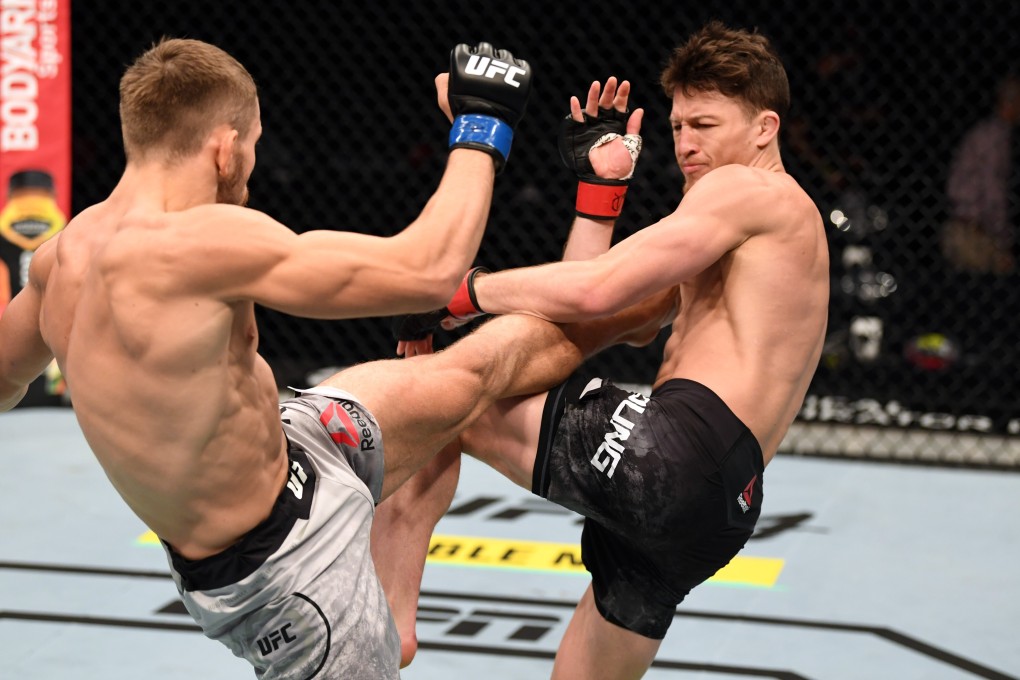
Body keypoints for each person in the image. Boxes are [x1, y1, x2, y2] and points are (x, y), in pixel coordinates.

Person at [0, 35, 608, 678]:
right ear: (225, 145)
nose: (253, 166)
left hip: (297, 447)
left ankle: (645, 293)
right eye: (254, 146)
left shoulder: (56, 263)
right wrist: (483, 122)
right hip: (284, 568)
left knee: (472, 371)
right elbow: (429, 269)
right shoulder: (202, 242)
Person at [386, 21, 830, 678]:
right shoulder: (753, 234)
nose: (685, 145)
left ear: (764, 128)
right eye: (678, 126)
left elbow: (595, 292)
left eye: (704, 125)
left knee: (430, 397)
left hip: (678, 448)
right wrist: (600, 196)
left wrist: (463, 291)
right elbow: (594, 323)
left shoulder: (746, 190)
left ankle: (390, 618)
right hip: (720, 507)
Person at [942, 72, 1020, 275]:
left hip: (969, 225)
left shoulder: (992, 132)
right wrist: (1002, 237)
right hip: (975, 230)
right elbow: (992, 188)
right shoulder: (994, 136)